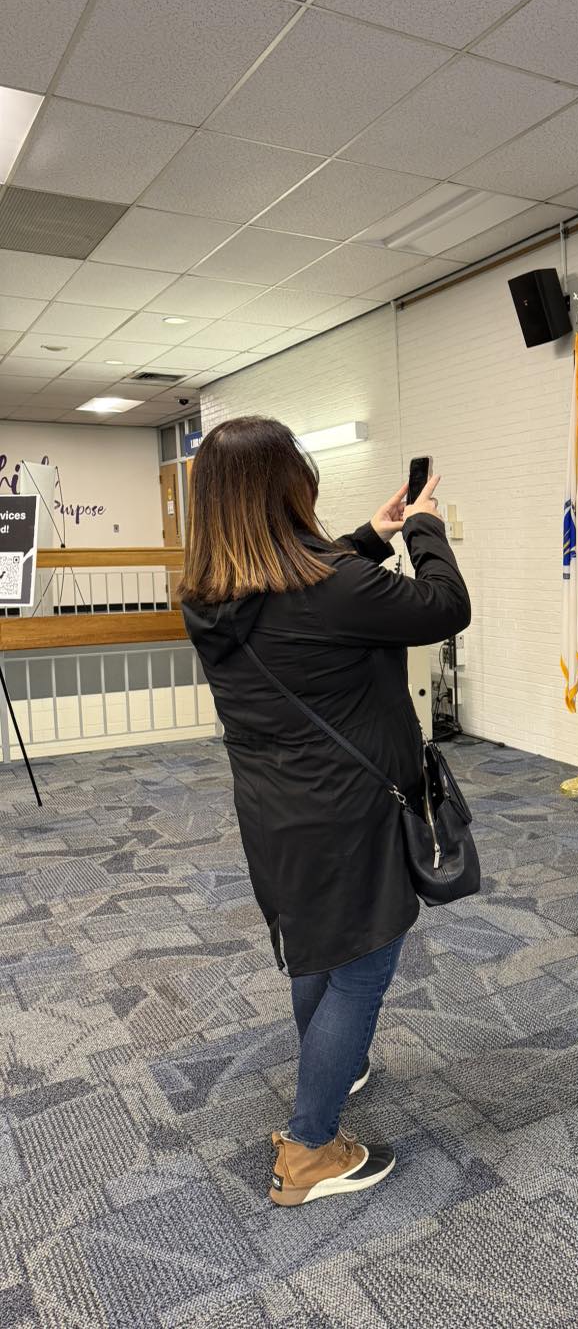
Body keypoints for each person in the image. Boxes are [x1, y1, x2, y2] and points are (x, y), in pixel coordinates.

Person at [179, 416, 470, 1206]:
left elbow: (299, 590)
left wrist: (370, 536)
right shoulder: (331, 589)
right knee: (363, 964)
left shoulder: (207, 594)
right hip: (350, 813)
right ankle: (310, 1148)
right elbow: (445, 605)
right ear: (290, 487)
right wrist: (423, 528)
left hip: (274, 813)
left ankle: (332, 1063)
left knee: (315, 949)